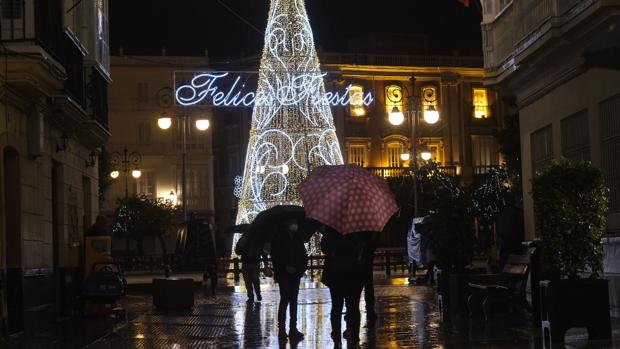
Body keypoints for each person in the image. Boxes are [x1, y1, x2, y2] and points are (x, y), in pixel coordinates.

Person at [321, 227, 369, 347]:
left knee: (339, 307)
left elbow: (325, 247)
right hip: (351, 273)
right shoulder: (357, 227)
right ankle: (352, 338)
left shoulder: (331, 228)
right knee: (351, 307)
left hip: (340, 273)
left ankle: (340, 338)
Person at [270, 218, 308, 341]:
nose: (294, 225)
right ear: (286, 224)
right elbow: (275, 256)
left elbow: (303, 255)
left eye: (296, 222)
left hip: (295, 274)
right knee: (285, 298)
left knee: (294, 300)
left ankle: (293, 328)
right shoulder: (279, 237)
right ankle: (281, 329)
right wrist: (285, 267)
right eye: (293, 222)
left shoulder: (297, 237)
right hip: (283, 274)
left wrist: (299, 269)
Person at [236, 232, 266, 304]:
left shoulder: (256, 240)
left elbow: (262, 251)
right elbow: (238, 251)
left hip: (253, 262)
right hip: (248, 263)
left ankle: (256, 294)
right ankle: (251, 296)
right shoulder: (243, 240)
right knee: (248, 281)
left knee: (254, 279)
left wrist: (266, 262)